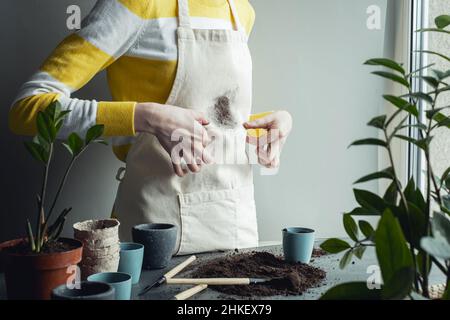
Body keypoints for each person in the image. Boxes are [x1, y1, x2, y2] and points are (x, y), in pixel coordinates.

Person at [9, 0, 292, 254]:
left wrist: (270, 125)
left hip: (236, 229)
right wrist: (146, 116)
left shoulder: (240, 11)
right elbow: (27, 108)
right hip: (154, 234)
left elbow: (212, 116)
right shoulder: (135, 6)